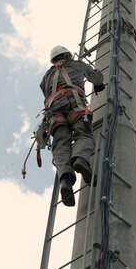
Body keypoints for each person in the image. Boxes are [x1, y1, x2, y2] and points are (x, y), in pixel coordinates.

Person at [40, 45, 105, 206]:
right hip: (74, 104)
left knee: (61, 146)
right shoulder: (77, 64)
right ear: (68, 55)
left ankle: (65, 181)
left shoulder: (46, 76)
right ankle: (81, 160)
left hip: (54, 113)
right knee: (83, 135)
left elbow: (45, 91)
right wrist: (99, 85)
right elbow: (96, 78)